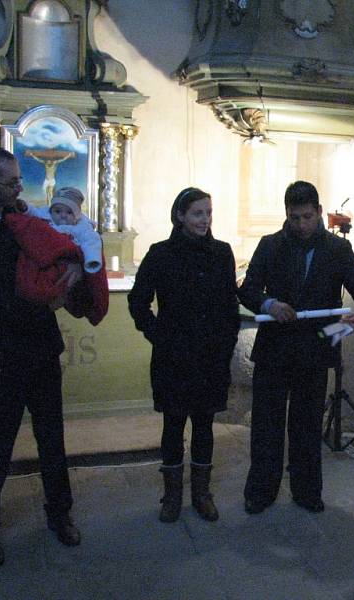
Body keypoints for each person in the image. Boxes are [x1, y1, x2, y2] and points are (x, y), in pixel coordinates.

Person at [0, 146, 82, 568]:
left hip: (39, 346)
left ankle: (59, 515)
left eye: (19, 181)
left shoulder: (14, 212)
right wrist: (40, 296)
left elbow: (46, 250)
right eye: (11, 183)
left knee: (52, 438)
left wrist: (68, 264)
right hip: (1, 355)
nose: (19, 188)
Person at [239, 180, 354, 515]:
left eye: (306, 216)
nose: (301, 224)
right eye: (294, 218)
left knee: (306, 424)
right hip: (274, 347)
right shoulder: (271, 245)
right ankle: (261, 491)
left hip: (317, 348)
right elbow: (247, 290)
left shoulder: (337, 250)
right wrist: (269, 303)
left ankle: (306, 491)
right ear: (286, 215)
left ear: (319, 212)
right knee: (266, 424)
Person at [128, 187, 240, 523]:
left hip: (209, 357)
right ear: (180, 215)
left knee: (205, 425)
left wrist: (227, 341)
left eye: (208, 212)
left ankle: (202, 493)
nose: (205, 219)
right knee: (173, 425)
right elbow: (138, 301)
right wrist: (159, 335)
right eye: (197, 213)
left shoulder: (222, 253)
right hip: (174, 356)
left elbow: (228, 303)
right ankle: (172, 496)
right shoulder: (161, 254)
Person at [6, 186, 108, 325]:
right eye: (57, 211)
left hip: (66, 263)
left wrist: (91, 261)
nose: (62, 215)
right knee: (32, 281)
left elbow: (91, 243)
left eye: (69, 212)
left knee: (62, 283)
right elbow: (35, 212)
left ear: (77, 215)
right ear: (51, 211)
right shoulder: (47, 219)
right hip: (45, 261)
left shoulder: (82, 227)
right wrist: (25, 208)